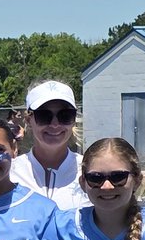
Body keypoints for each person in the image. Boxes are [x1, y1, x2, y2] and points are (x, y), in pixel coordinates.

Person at [9, 80, 89, 210]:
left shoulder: (90, 172)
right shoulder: (10, 172)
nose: (55, 124)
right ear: (29, 120)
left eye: (65, 115)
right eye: (44, 115)